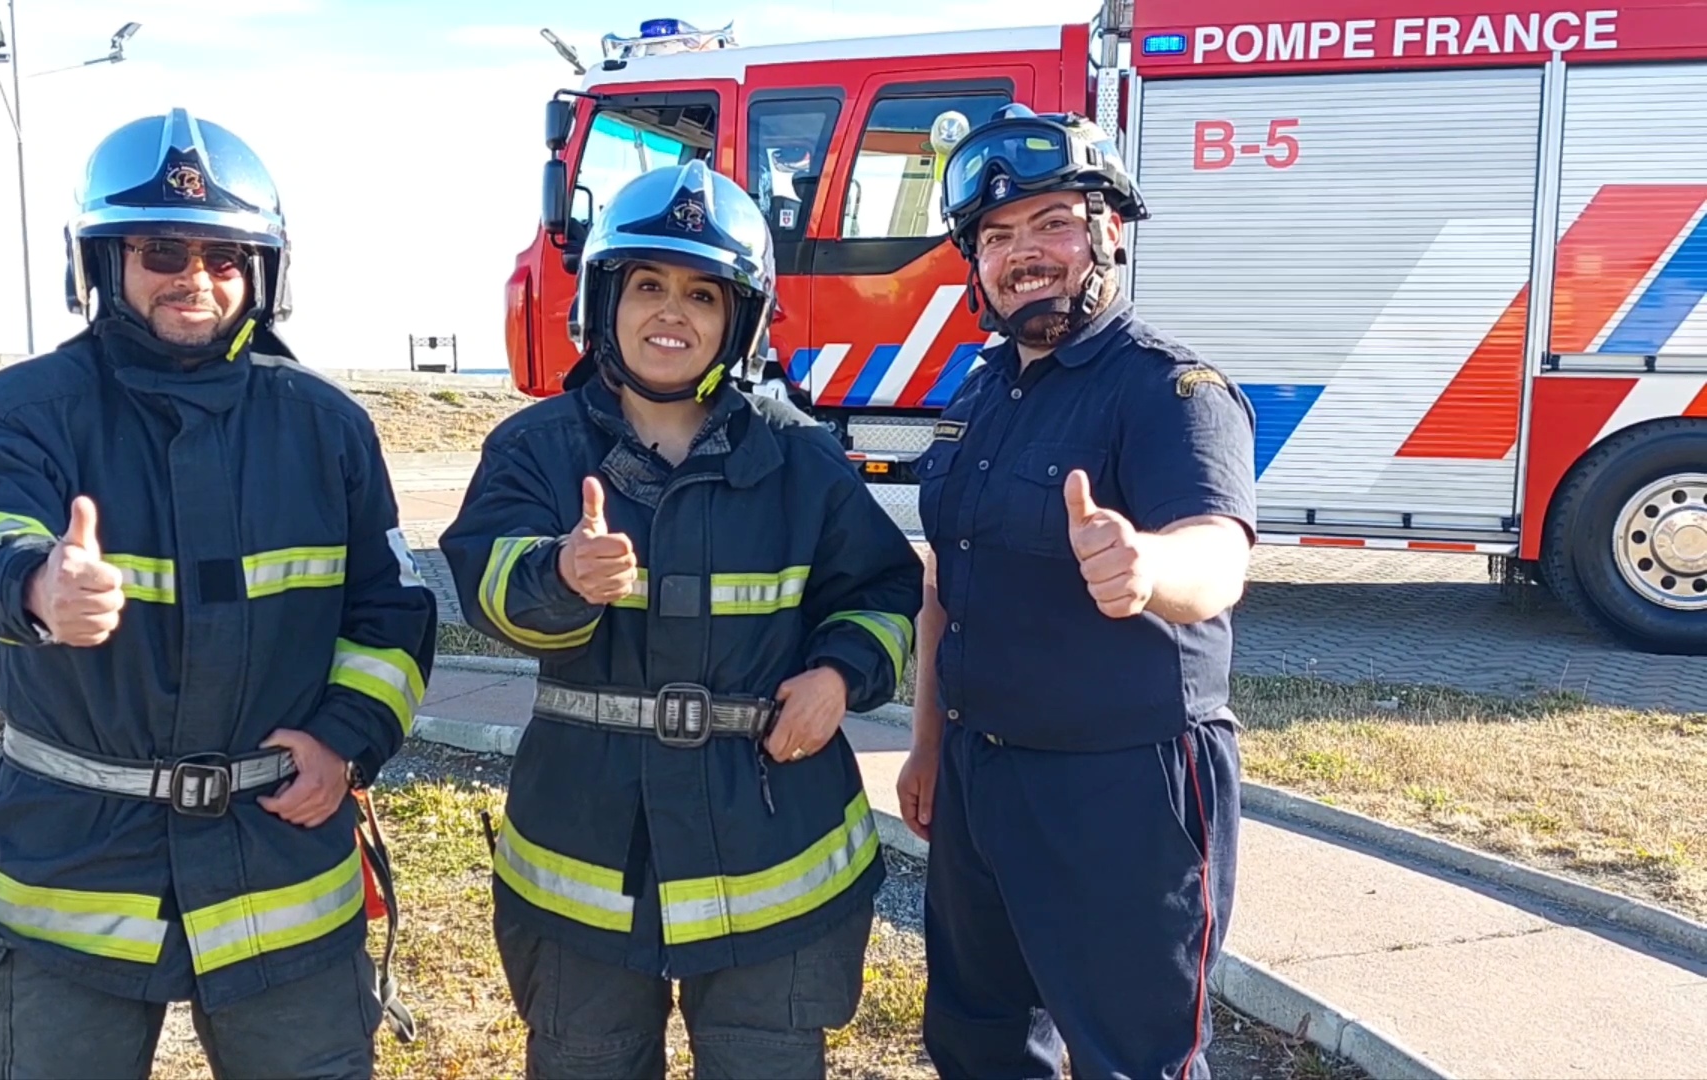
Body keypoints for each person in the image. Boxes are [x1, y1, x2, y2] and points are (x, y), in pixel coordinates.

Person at [0, 107, 436, 1080]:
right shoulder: (17, 412)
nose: (196, 277)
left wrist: (346, 738)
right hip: (71, 877)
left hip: (280, 865)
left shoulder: (327, 426)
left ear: (263, 271)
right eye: (162, 251)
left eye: (224, 255)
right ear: (101, 263)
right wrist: (34, 583)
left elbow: (390, 613)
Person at [439, 159, 923, 1079]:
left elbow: (880, 592)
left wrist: (837, 677)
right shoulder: (535, 448)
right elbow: (485, 585)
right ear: (605, 300)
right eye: (649, 285)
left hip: (774, 853)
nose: (673, 313)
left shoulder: (800, 456)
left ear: (740, 320)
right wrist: (559, 575)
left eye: (703, 294)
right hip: (586, 855)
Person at [893, 104, 1259, 1080]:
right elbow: (944, 580)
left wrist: (1148, 569)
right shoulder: (979, 393)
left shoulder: (1170, 390)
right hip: (980, 772)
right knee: (978, 1039)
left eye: (1051, 223)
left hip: (1123, 791)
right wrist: (928, 743)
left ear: (1108, 233)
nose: (1022, 253)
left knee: (1133, 1057)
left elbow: (1219, 554)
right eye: (996, 236)